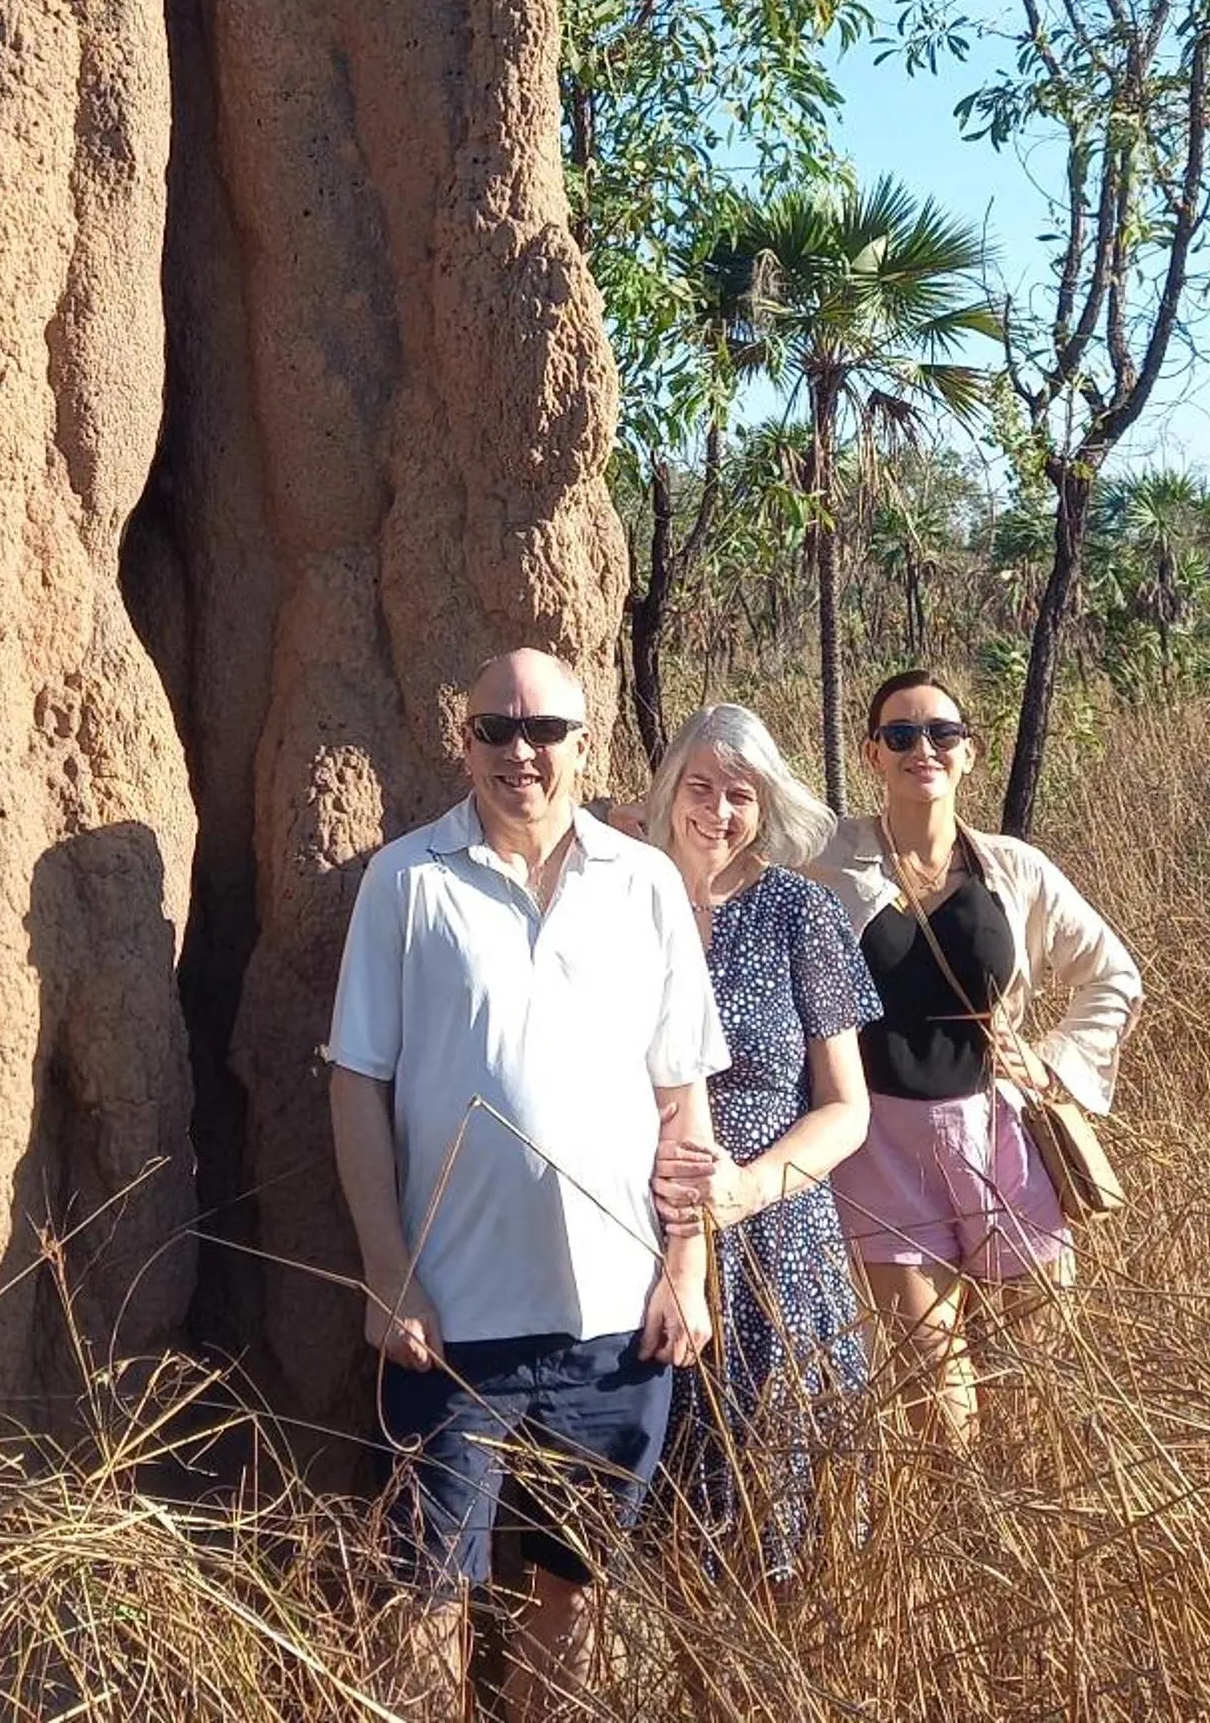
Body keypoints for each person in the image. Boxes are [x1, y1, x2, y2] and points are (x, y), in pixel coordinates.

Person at [327, 647, 725, 1721]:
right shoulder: (406, 878)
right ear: (463, 742)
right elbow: (356, 1082)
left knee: (573, 1593)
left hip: (614, 1322)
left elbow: (679, 1101)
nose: (520, 752)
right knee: (423, 1593)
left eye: (544, 730)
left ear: (584, 744)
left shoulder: (642, 882)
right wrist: (385, 1271)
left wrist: (684, 1267)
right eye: (494, 729)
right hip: (450, 1322)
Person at [813, 668, 1142, 1440]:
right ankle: (946, 1554)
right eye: (900, 735)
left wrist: (1051, 1064)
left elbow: (1113, 974)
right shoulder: (829, 859)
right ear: (871, 754)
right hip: (881, 1150)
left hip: (999, 1137)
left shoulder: (1013, 868)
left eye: (941, 734)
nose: (921, 748)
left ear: (968, 753)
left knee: (1033, 1388)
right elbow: (728, 834)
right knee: (941, 1414)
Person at [641, 703, 879, 1586]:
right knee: (651, 1511)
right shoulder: (624, 896)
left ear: (765, 804)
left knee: (776, 1517)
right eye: (699, 787)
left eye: (739, 793)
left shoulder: (797, 911)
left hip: (778, 1245)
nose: (717, 811)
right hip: (640, 1237)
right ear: (668, 792)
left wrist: (745, 1189)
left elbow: (847, 1110)